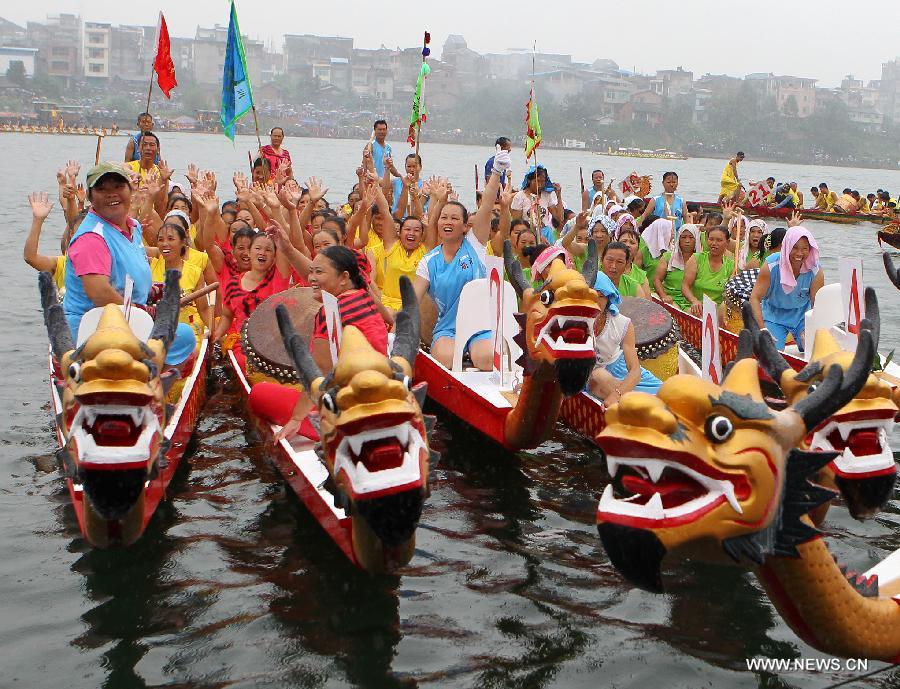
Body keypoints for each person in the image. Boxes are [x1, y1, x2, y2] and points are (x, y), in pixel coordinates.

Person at [250, 245, 390, 439]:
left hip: (353, 415)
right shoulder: (364, 296)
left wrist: (297, 419)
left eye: (319, 272)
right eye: (311, 272)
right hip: (383, 400)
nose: (312, 278)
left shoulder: (331, 312)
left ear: (344, 277)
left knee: (260, 393)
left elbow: (321, 373)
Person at [62, 163, 195, 366]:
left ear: (130, 190)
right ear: (90, 197)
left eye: (118, 187)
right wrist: (141, 311)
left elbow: (128, 275)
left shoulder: (133, 227)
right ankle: (152, 383)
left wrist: (152, 290)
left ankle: (153, 382)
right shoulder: (91, 236)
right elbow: (99, 293)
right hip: (92, 328)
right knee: (182, 334)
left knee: (185, 336)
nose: (111, 194)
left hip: (127, 318)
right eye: (102, 189)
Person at [412, 146, 507, 370]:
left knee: (485, 359)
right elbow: (412, 300)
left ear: (465, 226)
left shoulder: (475, 245)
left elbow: (485, 206)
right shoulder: (429, 261)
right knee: (447, 359)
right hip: (447, 328)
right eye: (444, 217)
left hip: (481, 326)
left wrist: (495, 172)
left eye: (454, 218)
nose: (448, 221)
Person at [588, 273, 661, 406]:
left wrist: (617, 394)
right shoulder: (573, 321)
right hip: (590, 376)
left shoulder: (622, 324)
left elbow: (635, 370)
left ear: (608, 299)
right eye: (591, 296)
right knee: (599, 375)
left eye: (601, 296)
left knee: (666, 393)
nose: (595, 302)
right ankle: (638, 407)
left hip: (618, 367)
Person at [749, 226, 824, 350]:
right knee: (771, 351)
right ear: (786, 246)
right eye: (794, 248)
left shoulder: (815, 270)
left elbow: (817, 304)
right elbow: (755, 298)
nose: (799, 253)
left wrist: (812, 328)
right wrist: (762, 328)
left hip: (802, 316)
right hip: (773, 316)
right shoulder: (771, 265)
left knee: (813, 347)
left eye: (804, 248)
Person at [149, 222, 212, 345]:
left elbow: (203, 309)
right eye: (160, 240)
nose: (165, 244)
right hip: (154, 332)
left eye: (171, 239)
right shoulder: (149, 265)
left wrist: (211, 329)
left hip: (185, 333)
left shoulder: (195, 272)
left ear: (183, 242)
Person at [681, 225, 734, 317]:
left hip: (718, 311)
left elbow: (730, 294)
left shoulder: (731, 266)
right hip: (695, 307)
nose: (714, 243)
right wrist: (694, 301)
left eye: (719, 240)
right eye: (711, 239)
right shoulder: (696, 259)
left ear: (727, 242)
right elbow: (685, 286)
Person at [511, 164, 563, 243]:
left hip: (546, 234)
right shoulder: (520, 197)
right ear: (529, 181)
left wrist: (559, 196)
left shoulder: (546, 195)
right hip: (527, 235)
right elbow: (517, 223)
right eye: (537, 181)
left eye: (543, 181)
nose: (540, 185)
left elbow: (559, 218)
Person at [654, 224, 700, 311]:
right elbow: (657, 279)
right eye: (683, 237)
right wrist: (664, 295)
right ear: (678, 239)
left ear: (696, 240)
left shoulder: (701, 260)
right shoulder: (668, 257)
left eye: (691, 237)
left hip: (692, 302)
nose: (687, 241)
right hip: (671, 299)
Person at [636, 217, 674, 287]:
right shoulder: (644, 252)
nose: (672, 234)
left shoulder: (673, 251)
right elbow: (635, 276)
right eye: (670, 231)